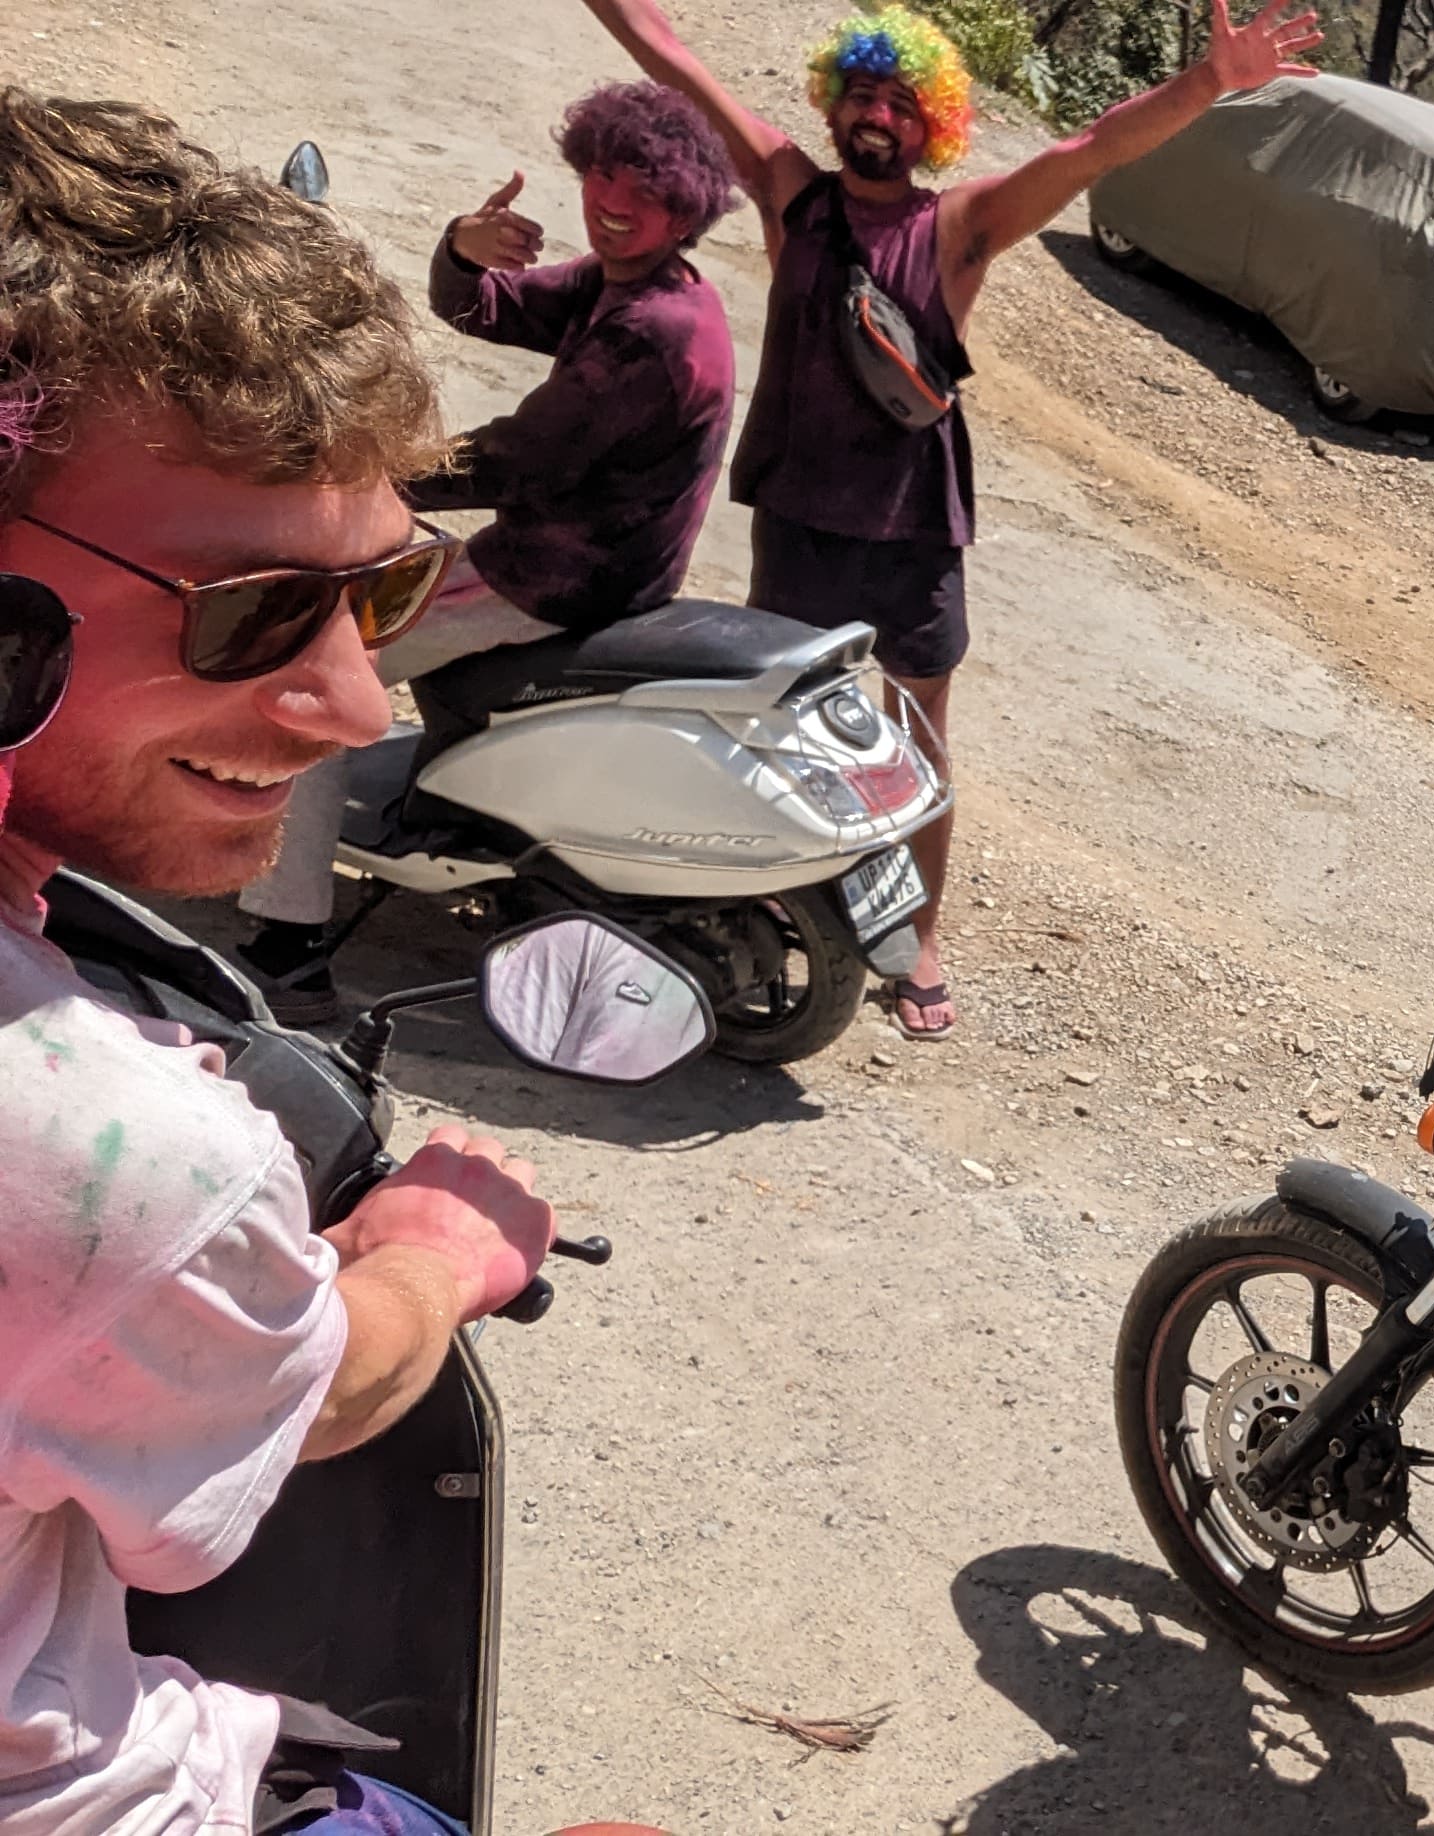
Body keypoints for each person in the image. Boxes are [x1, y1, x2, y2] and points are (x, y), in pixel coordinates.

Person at [0, 90, 568, 1835]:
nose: (351, 707)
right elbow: (314, 1391)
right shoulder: (109, 1155)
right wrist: (439, 1254)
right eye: (249, 613)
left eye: (380, 597)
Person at [578, 0, 1320, 1039]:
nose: (878, 115)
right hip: (800, 513)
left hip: (916, 523)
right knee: (782, 719)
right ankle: (769, 890)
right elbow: (674, 58)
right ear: (837, 107)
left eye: (900, 102)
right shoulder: (792, 192)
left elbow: (1088, 147)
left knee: (919, 735)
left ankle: (918, 934)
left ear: (934, 125)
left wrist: (1207, 84)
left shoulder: (959, 226)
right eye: (863, 95)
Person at [237, 80, 742, 1023]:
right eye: (601, 176)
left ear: (689, 207)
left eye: (646, 191)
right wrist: (463, 252)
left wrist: (369, 470)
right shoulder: (637, 285)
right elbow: (486, 312)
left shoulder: (652, 334)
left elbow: (520, 459)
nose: (614, 202)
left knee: (314, 684)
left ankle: (288, 945)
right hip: (584, 557)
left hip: (552, 577)